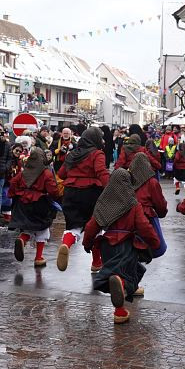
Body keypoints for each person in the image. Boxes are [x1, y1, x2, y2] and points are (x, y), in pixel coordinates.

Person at [82, 168, 160, 324]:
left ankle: (120, 311)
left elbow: (92, 226)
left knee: (121, 272)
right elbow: (144, 226)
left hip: (107, 247)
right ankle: (122, 288)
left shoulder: (103, 202)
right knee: (128, 274)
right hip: (127, 245)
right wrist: (154, 242)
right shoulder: (132, 204)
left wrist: (87, 243)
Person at [56, 127, 109, 272]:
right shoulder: (97, 154)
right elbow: (101, 173)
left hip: (70, 193)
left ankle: (66, 244)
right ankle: (96, 262)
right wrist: (112, 188)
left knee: (74, 226)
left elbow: (61, 174)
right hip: (91, 193)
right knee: (95, 228)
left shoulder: (72, 154)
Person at [10, 147, 61, 268]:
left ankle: (22, 240)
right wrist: (56, 198)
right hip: (40, 203)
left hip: (23, 202)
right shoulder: (46, 173)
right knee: (42, 229)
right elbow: (53, 190)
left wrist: (17, 194)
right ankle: (38, 258)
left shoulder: (23, 172)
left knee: (27, 227)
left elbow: (13, 183)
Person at [129, 152, 168, 264]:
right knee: (154, 246)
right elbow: (160, 204)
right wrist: (161, 213)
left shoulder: (127, 179)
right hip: (146, 218)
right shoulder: (152, 182)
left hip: (127, 217)